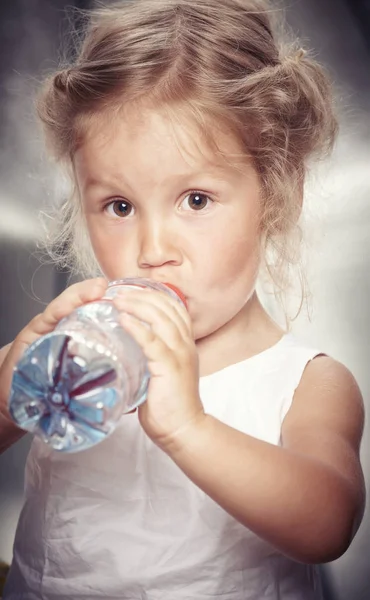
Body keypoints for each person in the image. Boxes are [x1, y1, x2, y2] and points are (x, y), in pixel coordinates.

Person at [0, 0, 365, 598]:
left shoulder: (306, 383)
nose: (152, 249)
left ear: (277, 195)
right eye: (119, 207)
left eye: (195, 200)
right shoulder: (75, 350)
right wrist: (9, 397)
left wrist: (187, 427)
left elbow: (328, 524)